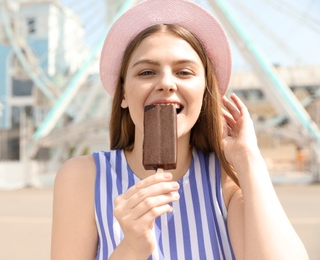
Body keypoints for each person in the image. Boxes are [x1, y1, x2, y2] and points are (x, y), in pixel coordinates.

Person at [51, 0, 309, 259]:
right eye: (147, 72)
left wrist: (249, 159)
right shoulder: (83, 177)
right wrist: (132, 248)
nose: (166, 83)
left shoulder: (226, 180)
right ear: (124, 95)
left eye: (184, 72)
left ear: (206, 92)